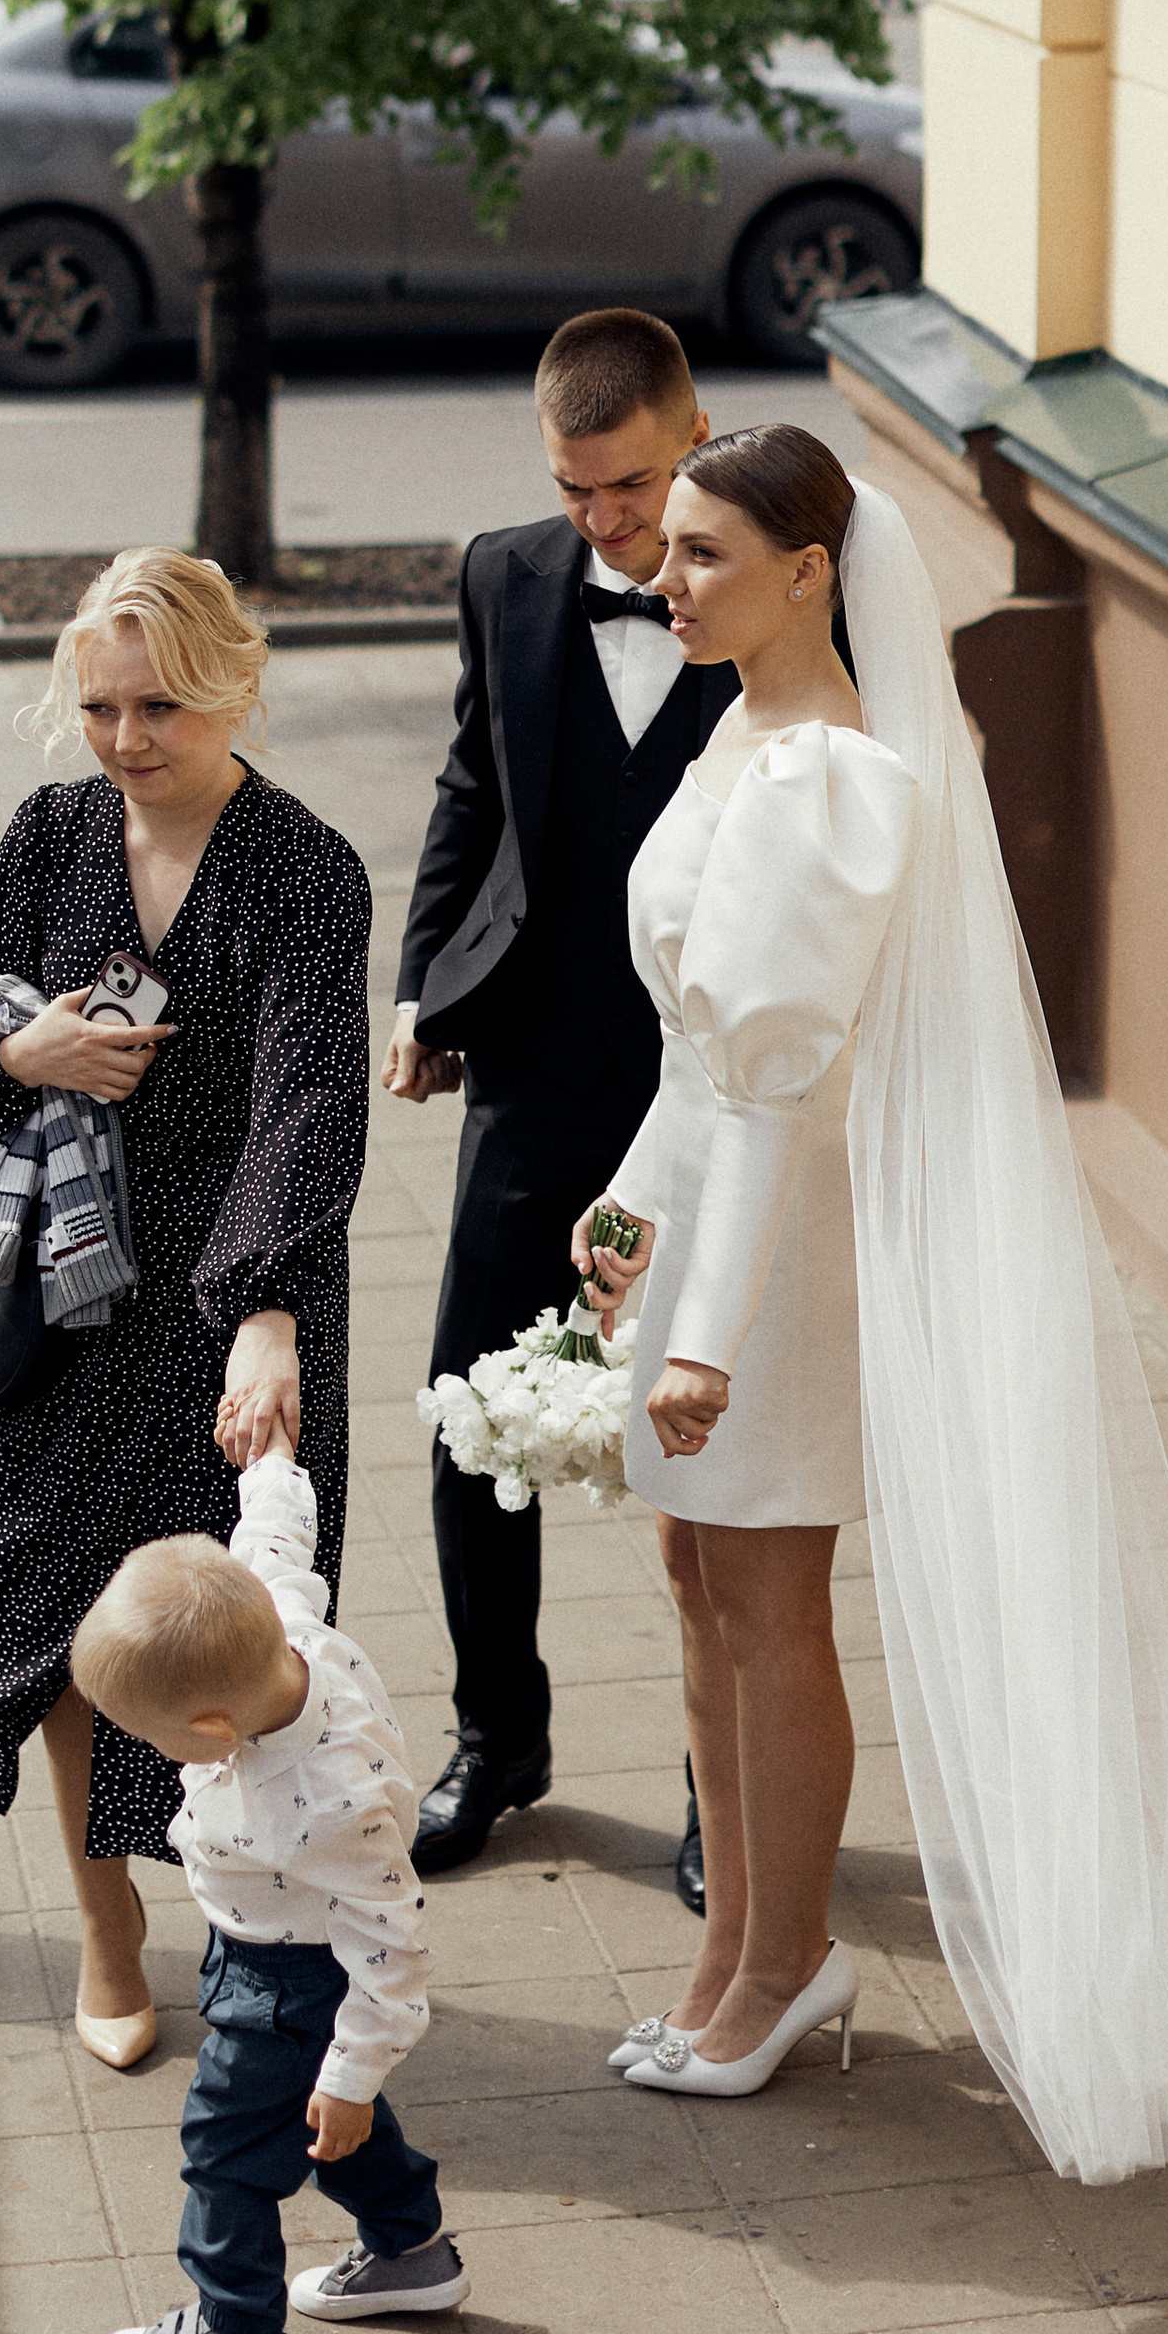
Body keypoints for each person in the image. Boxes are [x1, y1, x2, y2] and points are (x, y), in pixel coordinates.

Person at [574, 427, 1168, 2181]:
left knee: (771, 1597)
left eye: (706, 554)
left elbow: (788, 1083)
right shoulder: (740, 730)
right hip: (717, 1215)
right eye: (672, 550)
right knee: (700, 1581)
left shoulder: (834, 781)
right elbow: (705, 1048)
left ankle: (787, 1963)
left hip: (788, 1250)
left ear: (812, 572)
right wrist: (632, 1208)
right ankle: (729, 1954)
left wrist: (707, 1324)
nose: (668, 578)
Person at [0, 549, 372, 2073]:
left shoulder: (307, 868)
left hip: (233, 1306)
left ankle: (253, 1938)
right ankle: (111, 1937)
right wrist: (25, 1061)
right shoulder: (50, 834)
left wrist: (266, 1310)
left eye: (159, 703)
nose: (126, 737)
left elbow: (307, 1109)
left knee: (227, 1654)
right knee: (46, 1626)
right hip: (61, 1304)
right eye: (99, 706)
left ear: (235, 681)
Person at [386, 310, 736, 1886]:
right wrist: (422, 987)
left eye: (633, 486)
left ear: (696, 430)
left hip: (715, 1089)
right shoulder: (503, 576)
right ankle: (497, 1737)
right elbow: (476, 787)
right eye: (577, 490)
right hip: (532, 1059)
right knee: (471, 1411)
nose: (605, 522)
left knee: (716, 1440)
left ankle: (717, 1785)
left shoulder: (798, 578)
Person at [75, 1438, 466, 2334]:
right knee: (330, 2126)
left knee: (227, 2151)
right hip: (261, 1952)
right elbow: (279, 1536)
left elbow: (392, 1942)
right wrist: (269, 1451)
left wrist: (353, 2067)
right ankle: (412, 2255)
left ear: (211, 1728)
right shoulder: (277, 1623)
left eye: (149, 1737)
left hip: (290, 1986)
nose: (150, 1751)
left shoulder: (327, 1800)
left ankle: (235, 2333)